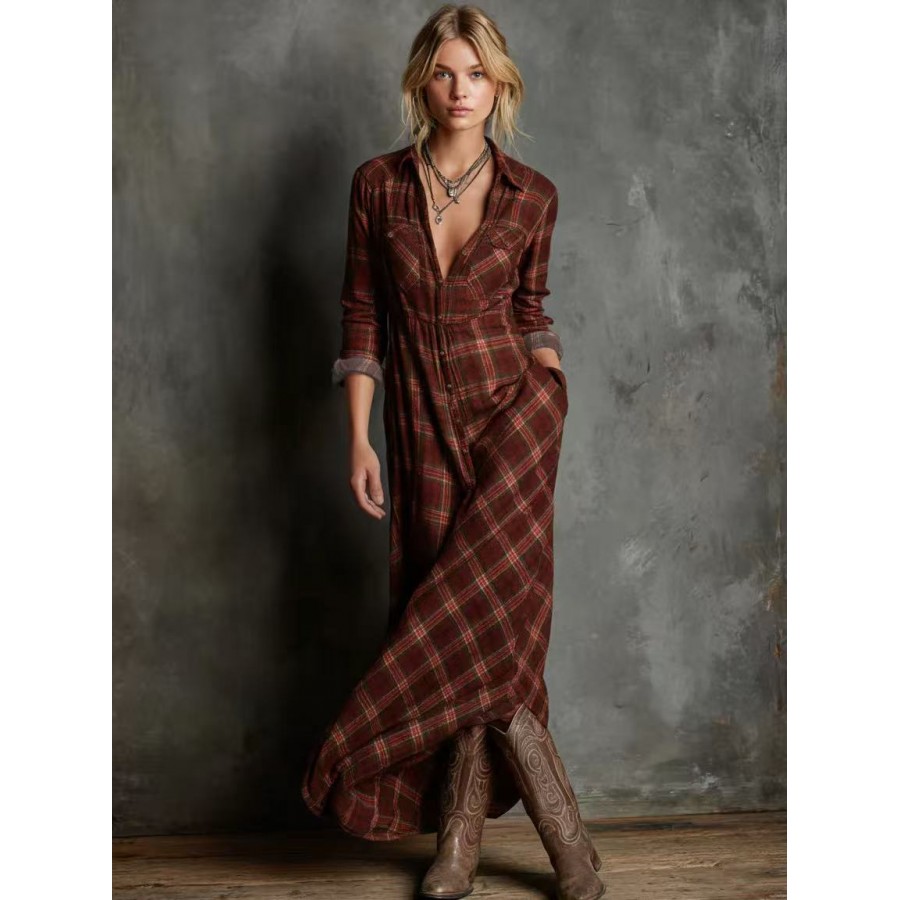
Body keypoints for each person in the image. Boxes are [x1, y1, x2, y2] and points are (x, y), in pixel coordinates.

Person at [301, 5, 605, 899]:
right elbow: (362, 316)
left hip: (516, 422)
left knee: (489, 621)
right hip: (420, 428)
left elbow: (531, 314)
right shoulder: (376, 186)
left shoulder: (533, 195)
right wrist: (359, 437)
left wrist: (553, 403)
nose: (460, 89)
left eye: (476, 73)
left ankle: (490, 849)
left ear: (499, 84)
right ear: (421, 84)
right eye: (444, 72)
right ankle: (486, 841)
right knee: (463, 626)